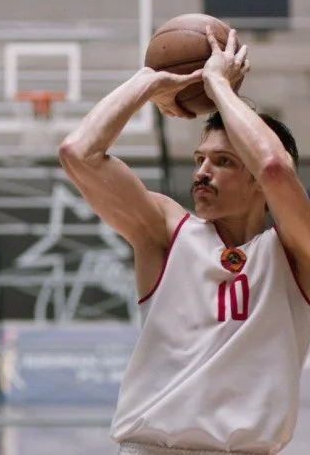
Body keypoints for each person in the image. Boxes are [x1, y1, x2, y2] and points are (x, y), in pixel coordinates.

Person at [59, 27, 310, 455]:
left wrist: (217, 84)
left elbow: (273, 166)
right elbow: (78, 152)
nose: (202, 173)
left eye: (223, 161)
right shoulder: (165, 231)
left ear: (258, 185)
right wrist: (148, 81)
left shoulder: (295, 252)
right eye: (199, 159)